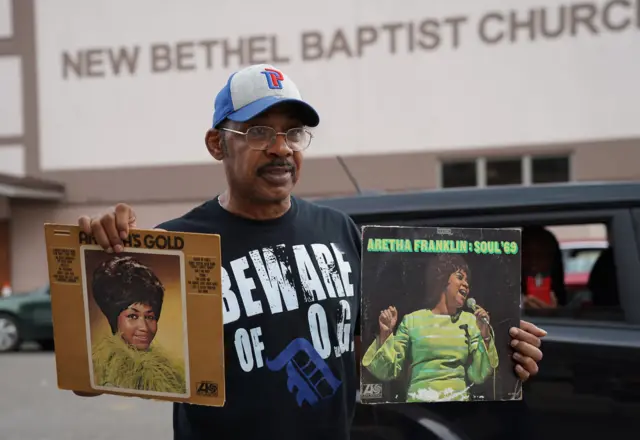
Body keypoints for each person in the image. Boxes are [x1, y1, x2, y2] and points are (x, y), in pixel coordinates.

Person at [74, 63, 547, 440]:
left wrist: (496, 355)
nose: (281, 148)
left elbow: (375, 357)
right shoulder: (178, 248)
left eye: (294, 133)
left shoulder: (338, 229)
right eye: (259, 131)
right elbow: (89, 376)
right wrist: (99, 256)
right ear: (217, 143)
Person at [363, 254, 500, 403]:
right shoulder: (412, 320)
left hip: (459, 407)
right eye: (460, 277)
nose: (466, 284)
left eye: (467, 281)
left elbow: (479, 375)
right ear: (443, 278)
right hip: (419, 406)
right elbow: (387, 371)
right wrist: (386, 332)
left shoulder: (470, 321)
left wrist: (485, 335)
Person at [90, 255, 186, 395]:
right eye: (133, 316)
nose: (144, 328)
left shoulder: (171, 375)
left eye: (150, 317)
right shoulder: (100, 371)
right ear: (113, 318)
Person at [521, 226, 566, 309]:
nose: (533, 262)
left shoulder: (571, 303)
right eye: (526, 255)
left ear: (553, 259)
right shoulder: (505, 297)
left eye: (540, 255)